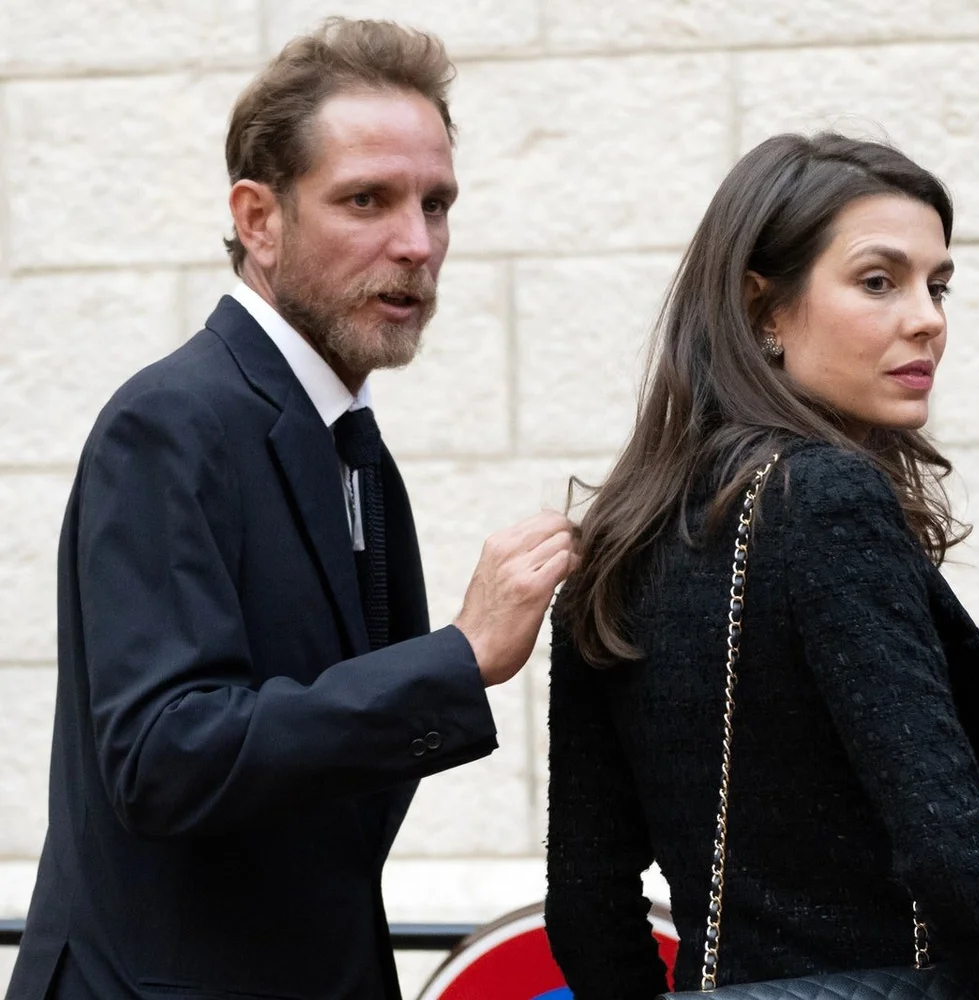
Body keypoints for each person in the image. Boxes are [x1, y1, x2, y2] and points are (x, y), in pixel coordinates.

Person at [6, 19, 576, 1000]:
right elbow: (163, 754)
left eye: (437, 203)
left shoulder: (349, 437)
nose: (417, 242)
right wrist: (459, 657)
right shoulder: (172, 419)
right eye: (368, 200)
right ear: (258, 219)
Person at [544, 132, 979, 1000]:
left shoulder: (618, 535)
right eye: (878, 281)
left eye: (937, 285)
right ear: (764, 310)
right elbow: (947, 836)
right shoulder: (824, 500)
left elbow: (585, 901)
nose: (927, 317)